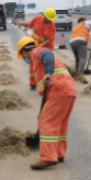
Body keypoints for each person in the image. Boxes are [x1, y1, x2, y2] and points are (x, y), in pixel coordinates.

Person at [17, 37, 77, 170]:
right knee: (60, 123)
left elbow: (48, 55)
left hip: (58, 90)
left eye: (23, 55)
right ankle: (59, 153)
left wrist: (48, 74)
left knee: (46, 121)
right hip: (68, 90)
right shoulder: (37, 60)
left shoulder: (38, 51)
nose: (25, 58)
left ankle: (48, 157)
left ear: (24, 51)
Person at [13, 8, 57, 90]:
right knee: (33, 63)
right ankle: (33, 84)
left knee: (45, 64)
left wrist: (41, 45)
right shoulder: (37, 19)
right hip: (35, 45)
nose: (50, 21)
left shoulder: (52, 27)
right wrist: (19, 23)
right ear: (45, 16)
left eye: (51, 19)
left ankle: (46, 83)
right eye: (48, 18)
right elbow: (29, 25)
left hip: (47, 46)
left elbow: (49, 40)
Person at [70, 18, 91, 82]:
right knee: (83, 58)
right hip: (80, 41)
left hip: (72, 42)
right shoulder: (86, 22)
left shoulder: (77, 26)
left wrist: (86, 47)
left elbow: (77, 39)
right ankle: (80, 76)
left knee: (77, 59)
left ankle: (76, 75)